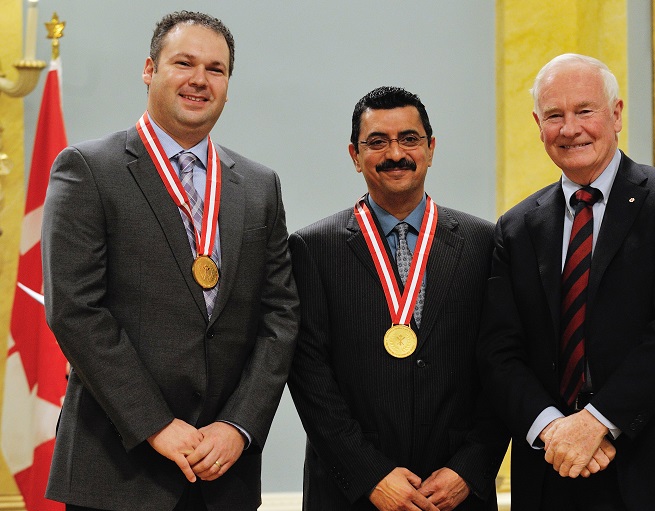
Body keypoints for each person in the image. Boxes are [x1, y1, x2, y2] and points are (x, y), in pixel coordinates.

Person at [41, 11, 299, 511]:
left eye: (216, 69)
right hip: (116, 470)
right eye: (184, 63)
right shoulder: (88, 170)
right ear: (149, 69)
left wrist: (238, 425)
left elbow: (281, 317)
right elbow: (75, 309)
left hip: (224, 475)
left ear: (228, 83)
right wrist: (154, 424)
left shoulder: (259, 185)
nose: (200, 80)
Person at [477, 53, 655, 510]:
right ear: (538, 125)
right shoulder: (516, 227)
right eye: (554, 116)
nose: (570, 128)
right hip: (554, 468)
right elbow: (499, 350)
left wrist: (595, 422)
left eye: (585, 110)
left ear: (616, 114)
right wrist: (552, 428)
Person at [287, 86, 509, 511]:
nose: (395, 153)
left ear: (430, 148)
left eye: (409, 139)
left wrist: (470, 468)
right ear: (354, 155)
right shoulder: (313, 248)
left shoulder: (484, 244)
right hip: (351, 491)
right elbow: (308, 374)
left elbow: (501, 364)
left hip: (455, 492)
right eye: (377, 142)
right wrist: (369, 474)